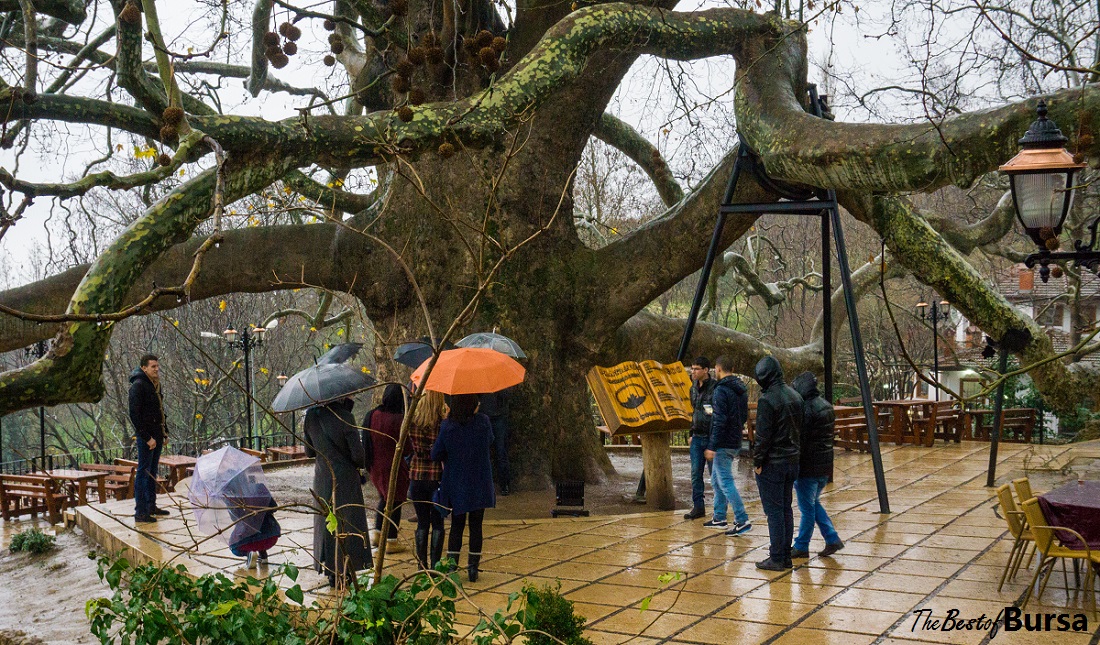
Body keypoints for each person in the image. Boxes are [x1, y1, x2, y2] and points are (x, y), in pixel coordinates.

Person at [304, 398, 370, 588]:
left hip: (322, 477)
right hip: (345, 479)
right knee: (346, 522)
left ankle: (331, 570)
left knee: (327, 523)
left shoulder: (310, 417)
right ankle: (346, 569)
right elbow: (359, 457)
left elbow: (309, 452)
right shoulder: (345, 416)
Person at [431, 393, 495, 582]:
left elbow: (436, 453)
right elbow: (490, 441)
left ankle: (452, 566)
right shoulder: (483, 422)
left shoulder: (448, 426)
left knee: (457, 525)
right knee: (476, 526)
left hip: (456, 481)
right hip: (480, 480)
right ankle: (473, 569)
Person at [752, 356, 803, 571]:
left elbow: (763, 436)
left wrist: (757, 462)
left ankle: (777, 557)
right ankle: (785, 554)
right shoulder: (796, 395)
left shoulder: (767, 400)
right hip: (792, 460)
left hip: (773, 462)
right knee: (786, 509)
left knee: (774, 511)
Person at [790, 372, 844, 559]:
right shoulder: (826, 406)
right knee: (813, 504)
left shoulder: (806, 409)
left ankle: (801, 545)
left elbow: (800, 440)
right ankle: (832, 538)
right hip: (824, 465)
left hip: (807, 467)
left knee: (807, 509)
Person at [703, 355, 752, 536]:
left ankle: (742, 519)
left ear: (718, 369)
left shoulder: (721, 390)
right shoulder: (741, 389)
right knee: (716, 480)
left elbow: (719, 420)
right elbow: (742, 415)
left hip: (723, 442)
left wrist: (712, 446)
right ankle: (719, 517)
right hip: (735, 438)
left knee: (725, 481)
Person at [365, 384, 409, 554]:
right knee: (395, 502)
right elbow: (407, 448)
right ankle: (391, 540)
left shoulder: (372, 415)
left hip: (375, 466)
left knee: (384, 499)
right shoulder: (399, 420)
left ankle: (378, 532)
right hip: (394, 467)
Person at [408, 389, 448, 570]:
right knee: (438, 522)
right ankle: (435, 564)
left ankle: (421, 564)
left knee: (422, 521)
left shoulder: (412, 420)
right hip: (436, 476)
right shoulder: (442, 422)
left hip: (417, 474)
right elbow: (442, 450)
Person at [128, 354, 168, 523]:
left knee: (152, 473)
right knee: (143, 473)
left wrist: (164, 432)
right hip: (147, 437)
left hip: (157, 434)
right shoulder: (138, 386)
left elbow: (159, 410)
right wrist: (146, 437)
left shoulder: (154, 385)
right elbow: (135, 416)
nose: (156, 369)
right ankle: (141, 511)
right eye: (153, 366)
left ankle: (151, 506)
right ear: (144, 368)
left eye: (157, 366)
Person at [685, 357, 717, 521]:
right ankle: (698, 506)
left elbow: (716, 415)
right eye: (692, 368)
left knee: (715, 476)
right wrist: (691, 434)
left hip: (711, 436)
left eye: (696, 369)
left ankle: (719, 509)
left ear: (706, 370)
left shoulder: (715, 388)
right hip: (697, 436)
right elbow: (694, 411)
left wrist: (714, 441)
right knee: (695, 474)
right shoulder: (693, 388)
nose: (693, 372)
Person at [479, 387, 513, 495]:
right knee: (484, 453)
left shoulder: (501, 379)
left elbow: (507, 395)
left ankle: (504, 484)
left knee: (501, 451)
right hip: (484, 415)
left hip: (499, 416)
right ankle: (485, 484)